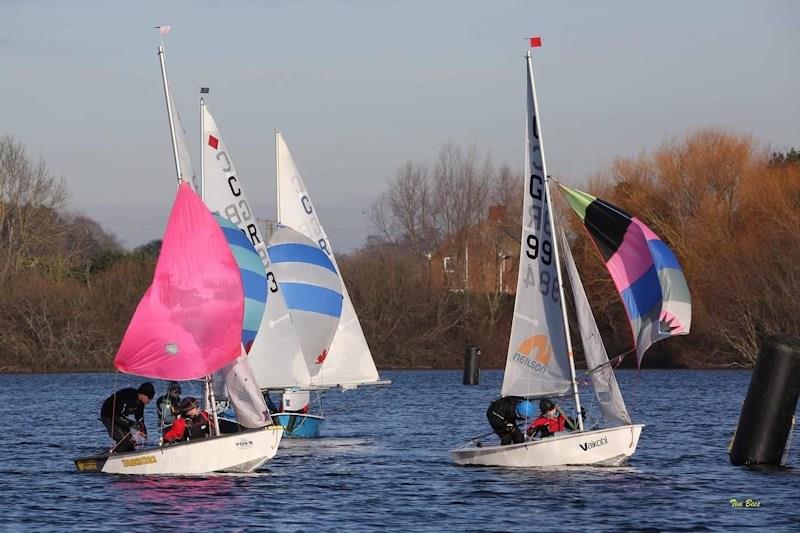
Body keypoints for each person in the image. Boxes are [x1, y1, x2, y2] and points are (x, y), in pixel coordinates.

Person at [100, 382, 155, 453]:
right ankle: (113, 456)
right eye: (149, 398)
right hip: (108, 415)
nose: (150, 401)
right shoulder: (128, 397)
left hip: (119, 417)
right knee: (123, 439)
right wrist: (132, 425)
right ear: (142, 394)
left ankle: (130, 456)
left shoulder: (141, 404)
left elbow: (140, 419)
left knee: (131, 441)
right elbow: (117, 416)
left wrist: (143, 431)